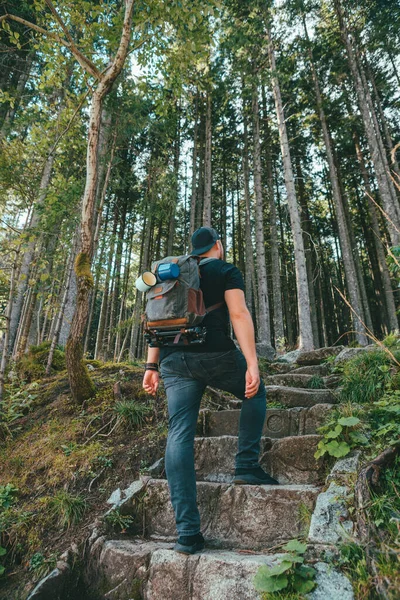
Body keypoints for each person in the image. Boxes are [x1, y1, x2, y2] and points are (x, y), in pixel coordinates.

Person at [142, 226, 279, 555]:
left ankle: (187, 533)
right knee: (254, 393)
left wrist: (151, 367)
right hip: (216, 354)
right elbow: (238, 313)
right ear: (218, 245)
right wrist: (252, 364)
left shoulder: (171, 274)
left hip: (174, 362)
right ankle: (246, 466)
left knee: (179, 435)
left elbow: (157, 319)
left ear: (193, 250)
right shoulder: (225, 270)